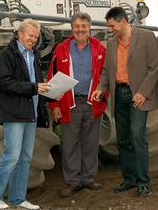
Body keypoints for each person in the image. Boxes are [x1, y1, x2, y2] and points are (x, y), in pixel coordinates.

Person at [91, 6, 158, 197]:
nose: (110, 30)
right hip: (119, 94)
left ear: (123, 22)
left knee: (137, 136)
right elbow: (106, 71)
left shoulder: (146, 37)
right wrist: (100, 88)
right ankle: (129, 179)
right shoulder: (112, 44)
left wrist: (143, 93)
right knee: (122, 139)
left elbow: (155, 68)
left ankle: (143, 182)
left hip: (138, 95)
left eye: (112, 26)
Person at [0, 19, 55, 210]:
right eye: (30, 35)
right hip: (15, 114)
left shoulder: (34, 55)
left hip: (31, 113)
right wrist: (35, 87)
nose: (33, 39)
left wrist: (49, 93)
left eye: (35, 36)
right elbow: (5, 83)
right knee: (11, 156)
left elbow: (36, 85)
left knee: (25, 157)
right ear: (20, 33)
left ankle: (18, 199)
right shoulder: (6, 56)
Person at [47, 12, 107, 198]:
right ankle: (73, 182)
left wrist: (103, 95)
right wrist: (54, 105)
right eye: (76, 26)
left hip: (92, 102)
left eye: (84, 26)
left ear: (89, 28)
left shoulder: (99, 48)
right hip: (69, 103)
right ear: (71, 28)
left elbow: (105, 75)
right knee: (70, 143)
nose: (80, 30)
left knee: (90, 142)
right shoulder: (61, 48)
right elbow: (52, 77)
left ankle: (88, 179)